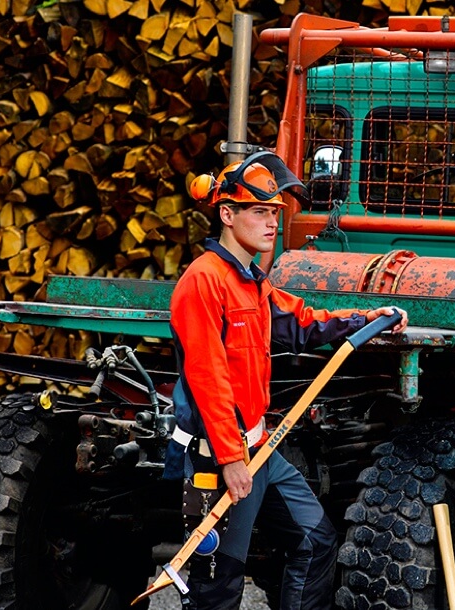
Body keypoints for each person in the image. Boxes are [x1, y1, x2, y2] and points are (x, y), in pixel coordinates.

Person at [166, 151, 408, 610]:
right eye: (260, 212)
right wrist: (230, 458)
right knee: (217, 590)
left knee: (316, 542)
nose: (272, 223)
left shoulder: (253, 282)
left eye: (275, 213)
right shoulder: (203, 282)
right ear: (227, 213)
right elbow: (207, 377)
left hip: (259, 451)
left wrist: (366, 318)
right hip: (218, 462)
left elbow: (303, 322)